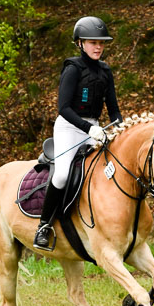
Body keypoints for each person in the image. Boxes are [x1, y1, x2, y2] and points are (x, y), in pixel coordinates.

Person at [33, 15, 123, 250]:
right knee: (62, 175)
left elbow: (113, 108)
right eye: (93, 42)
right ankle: (44, 226)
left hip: (95, 129)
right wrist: (89, 128)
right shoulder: (73, 69)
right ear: (80, 43)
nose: (98, 47)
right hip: (70, 127)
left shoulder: (105, 71)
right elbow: (63, 108)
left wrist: (120, 126)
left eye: (101, 43)